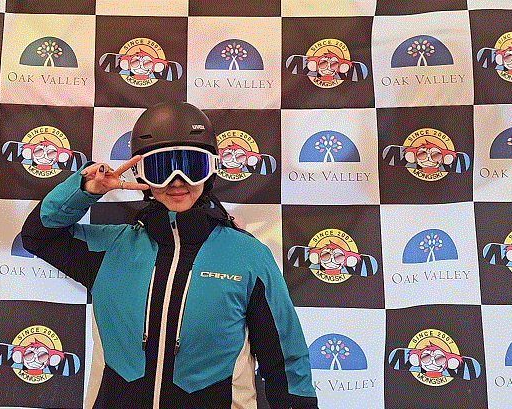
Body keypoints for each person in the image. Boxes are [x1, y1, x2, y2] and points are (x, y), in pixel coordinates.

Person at [22, 101, 318, 409]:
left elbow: (285, 360)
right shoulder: (109, 249)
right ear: (141, 175)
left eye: (192, 166)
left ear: (211, 170)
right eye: (160, 169)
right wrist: (84, 190)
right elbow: (37, 236)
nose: (177, 181)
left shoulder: (248, 256)